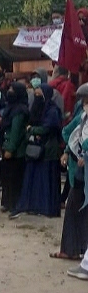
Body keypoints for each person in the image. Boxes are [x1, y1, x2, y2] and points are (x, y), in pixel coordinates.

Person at [12, 84, 63, 219]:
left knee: (46, 180)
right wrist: (32, 132)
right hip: (35, 151)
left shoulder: (52, 110)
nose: (37, 98)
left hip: (48, 151)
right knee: (33, 179)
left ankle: (46, 208)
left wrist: (31, 130)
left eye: (40, 95)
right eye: (36, 95)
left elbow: (47, 128)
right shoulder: (35, 109)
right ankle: (34, 206)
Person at [55, 84, 88, 260]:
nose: (85, 104)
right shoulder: (82, 118)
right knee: (74, 209)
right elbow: (71, 134)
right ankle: (72, 249)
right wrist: (69, 152)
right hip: (81, 172)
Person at [0, 82, 29, 213]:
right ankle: (7, 202)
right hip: (6, 147)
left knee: (15, 178)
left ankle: (15, 204)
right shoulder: (10, 108)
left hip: (16, 151)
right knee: (6, 177)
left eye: (12, 89)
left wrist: (10, 149)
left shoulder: (20, 111)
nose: (9, 91)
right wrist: (0, 145)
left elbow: (16, 131)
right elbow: (3, 128)